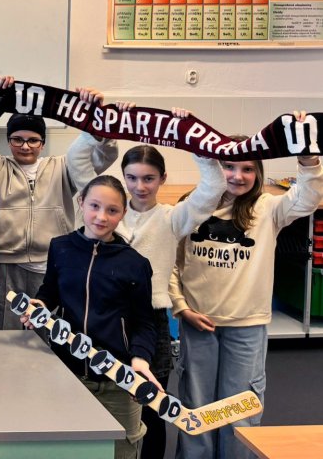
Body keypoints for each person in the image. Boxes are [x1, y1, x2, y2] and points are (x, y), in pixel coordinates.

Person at [169, 114, 323, 459]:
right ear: (216, 167)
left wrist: (307, 158)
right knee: (197, 406)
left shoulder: (268, 209)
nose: (237, 176)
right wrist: (181, 307)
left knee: (240, 406)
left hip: (247, 325)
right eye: (229, 166)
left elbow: (308, 197)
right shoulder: (193, 205)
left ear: (258, 173)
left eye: (247, 169)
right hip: (198, 322)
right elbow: (171, 264)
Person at [0, 75, 119, 329]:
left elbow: (103, 156)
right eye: (17, 139)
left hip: (50, 267)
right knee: (0, 335)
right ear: (9, 141)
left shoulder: (64, 167)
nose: (25, 146)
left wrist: (97, 116)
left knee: (44, 336)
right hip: (2, 267)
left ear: (42, 143)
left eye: (33, 140)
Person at [25, 175, 158, 459]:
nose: (101, 217)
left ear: (123, 213)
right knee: (67, 451)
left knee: (122, 450)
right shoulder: (60, 247)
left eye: (112, 210)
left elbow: (145, 322)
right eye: (95, 206)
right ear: (81, 202)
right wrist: (40, 305)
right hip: (68, 376)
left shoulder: (135, 264)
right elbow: (51, 291)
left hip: (118, 381)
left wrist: (140, 359)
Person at [111, 140, 227, 459]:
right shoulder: (111, 214)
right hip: (109, 319)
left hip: (151, 320)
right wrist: (99, 137)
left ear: (163, 178)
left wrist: (197, 145)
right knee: (109, 397)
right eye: (132, 178)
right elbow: (81, 170)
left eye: (149, 178)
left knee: (152, 402)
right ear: (123, 177)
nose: (140, 186)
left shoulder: (173, 217)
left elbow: (214, 188)